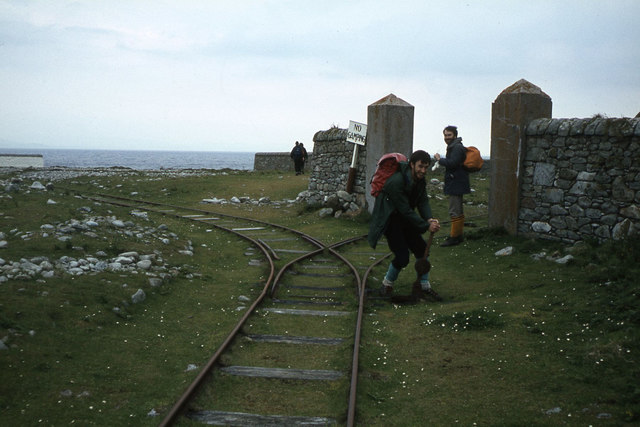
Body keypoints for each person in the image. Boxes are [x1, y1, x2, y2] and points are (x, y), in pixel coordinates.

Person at [368, 150, 442, 300]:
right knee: (402, 257)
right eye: (420, 166)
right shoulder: (396, 182)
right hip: (391, 220)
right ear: (412, 164)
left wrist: (429, 219)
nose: (423, 170)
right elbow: (405, 210)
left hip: (405, 219)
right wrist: (425, 226)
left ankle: (424, 286)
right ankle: (386, 285)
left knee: (422, 250)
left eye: (426, 167)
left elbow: (422, 201)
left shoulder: (419, 181)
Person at [434, 125, 471, 247]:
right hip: (457, 182)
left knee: (454, 210)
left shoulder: (456, 148)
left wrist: (439, 160)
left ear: (454, 135)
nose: (447, 137)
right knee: (457, 210)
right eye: (445, 135)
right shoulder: (455, 146)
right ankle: (458, 235)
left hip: (456, 183)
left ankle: (454, 237)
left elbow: (453, 163)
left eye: (449, 135)